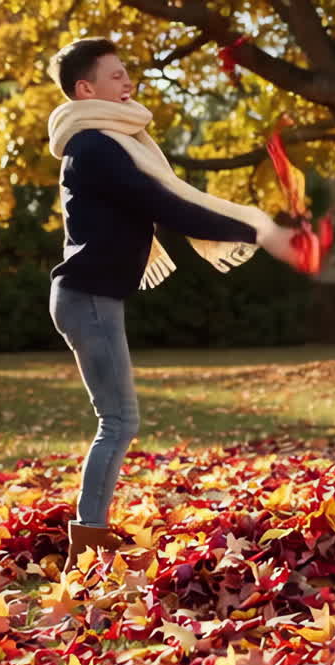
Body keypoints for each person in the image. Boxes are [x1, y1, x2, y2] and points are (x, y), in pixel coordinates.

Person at [45, 37, 311, 570]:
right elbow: (166, 205)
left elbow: (165, 200)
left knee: (117, 420)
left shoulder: (111, 142)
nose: (129, 84)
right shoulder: (94, 146)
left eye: (128, 74)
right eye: (117, 76)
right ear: (86, 89)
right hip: (88, 297)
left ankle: (91, 534)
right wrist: (257, 232)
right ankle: (88, 542)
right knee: (117, 421)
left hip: (93, 296)